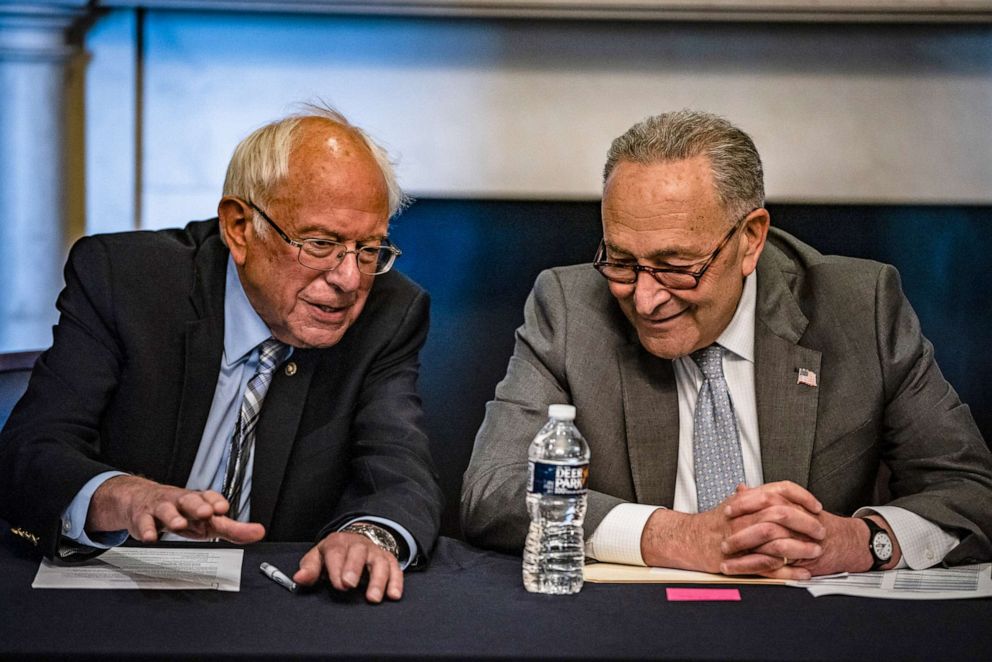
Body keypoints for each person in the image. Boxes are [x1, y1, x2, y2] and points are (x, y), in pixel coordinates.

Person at [461, 110, 992, 579]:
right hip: (630, 629)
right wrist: (674, 536)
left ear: (751, 239)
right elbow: (494, 490)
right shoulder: (571, 306)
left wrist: (862, 542)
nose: (645, 298)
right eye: (622, 262)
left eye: (675, 266)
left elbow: (971, 491)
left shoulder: (859, 307)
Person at [0, 105, 443, 603]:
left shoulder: (389, 312)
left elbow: (401, 473)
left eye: (369, 249)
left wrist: (369, 536)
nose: (348, 278)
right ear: (238, 227)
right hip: (110, 591)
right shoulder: (125, 281)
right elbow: (30, 452)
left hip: (271, 606)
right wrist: (122, 496)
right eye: (321, 243)